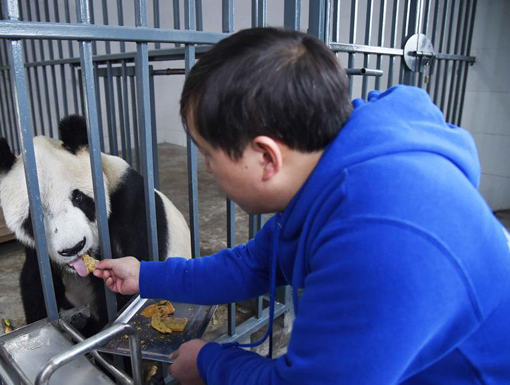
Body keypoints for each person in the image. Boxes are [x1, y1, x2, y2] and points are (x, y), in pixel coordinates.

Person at [94, 27, 510, 385]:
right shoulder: (338, 164)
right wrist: (145, 275)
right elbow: (253, 265)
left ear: (266, 158)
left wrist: (209, 362)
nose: (205, 168)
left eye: (206, 153)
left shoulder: (380, 236)